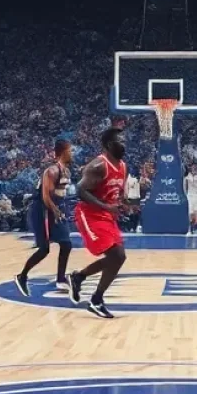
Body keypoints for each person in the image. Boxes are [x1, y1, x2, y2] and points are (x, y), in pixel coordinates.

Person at [71, 127, 129, 319]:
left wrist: (122, 204)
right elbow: (80, 190)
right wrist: (105, 206)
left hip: (106, 214)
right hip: (89, 214)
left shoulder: (123, 166)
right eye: (119, 140)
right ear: (108, 145)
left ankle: (81, 279)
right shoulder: (97, 166)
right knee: (115, 254)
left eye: (124, 140)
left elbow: (116, 192)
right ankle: (95, 298)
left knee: (119, 257)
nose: (124, 143)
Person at [15, 139, 73, 297]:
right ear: (63, 152)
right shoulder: (52, 171)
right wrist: (56, 210)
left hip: (56, 209)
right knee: (44, 249)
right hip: (42, 211)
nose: (72, 153)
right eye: (70, 150)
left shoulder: (66, 171)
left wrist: (61, 209)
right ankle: (22, 276)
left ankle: (61, 279)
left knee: (66, 244)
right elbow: (45, 197)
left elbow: (60, 195)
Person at [185, 163, 197, 232]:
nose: (194, 168)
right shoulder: (186, 177)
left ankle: (195, 226)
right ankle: (190, 228)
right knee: (190, 213)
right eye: (193, 167)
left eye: (195, 167)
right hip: (190, 196)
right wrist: (186, 195)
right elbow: (185, 188)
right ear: (190, 168)